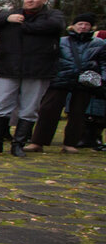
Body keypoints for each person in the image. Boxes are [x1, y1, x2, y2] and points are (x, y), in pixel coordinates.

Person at [0, 0, 64, 156]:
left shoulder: (53, 16)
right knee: (0, 106)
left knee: (29, 108)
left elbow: (53, 26)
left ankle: (19, 144)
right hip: (9, 68)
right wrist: (6, 19)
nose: (30, 0)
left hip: (38, 70)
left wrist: (23, 26)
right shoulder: (12, 16)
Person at [25, 13, 105, 153]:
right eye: (80, 24)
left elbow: (104, 62)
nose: (83, 27)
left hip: (85, 82)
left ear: (92, 27)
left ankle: (70, 143)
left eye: (87, 24)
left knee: (78, 114)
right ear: (73, 25)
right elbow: (48, 58)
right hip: (60, 78)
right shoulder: (61, 41)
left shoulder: (99, 44)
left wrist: (103, 78)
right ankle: (38, 141)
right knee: (48, 110)